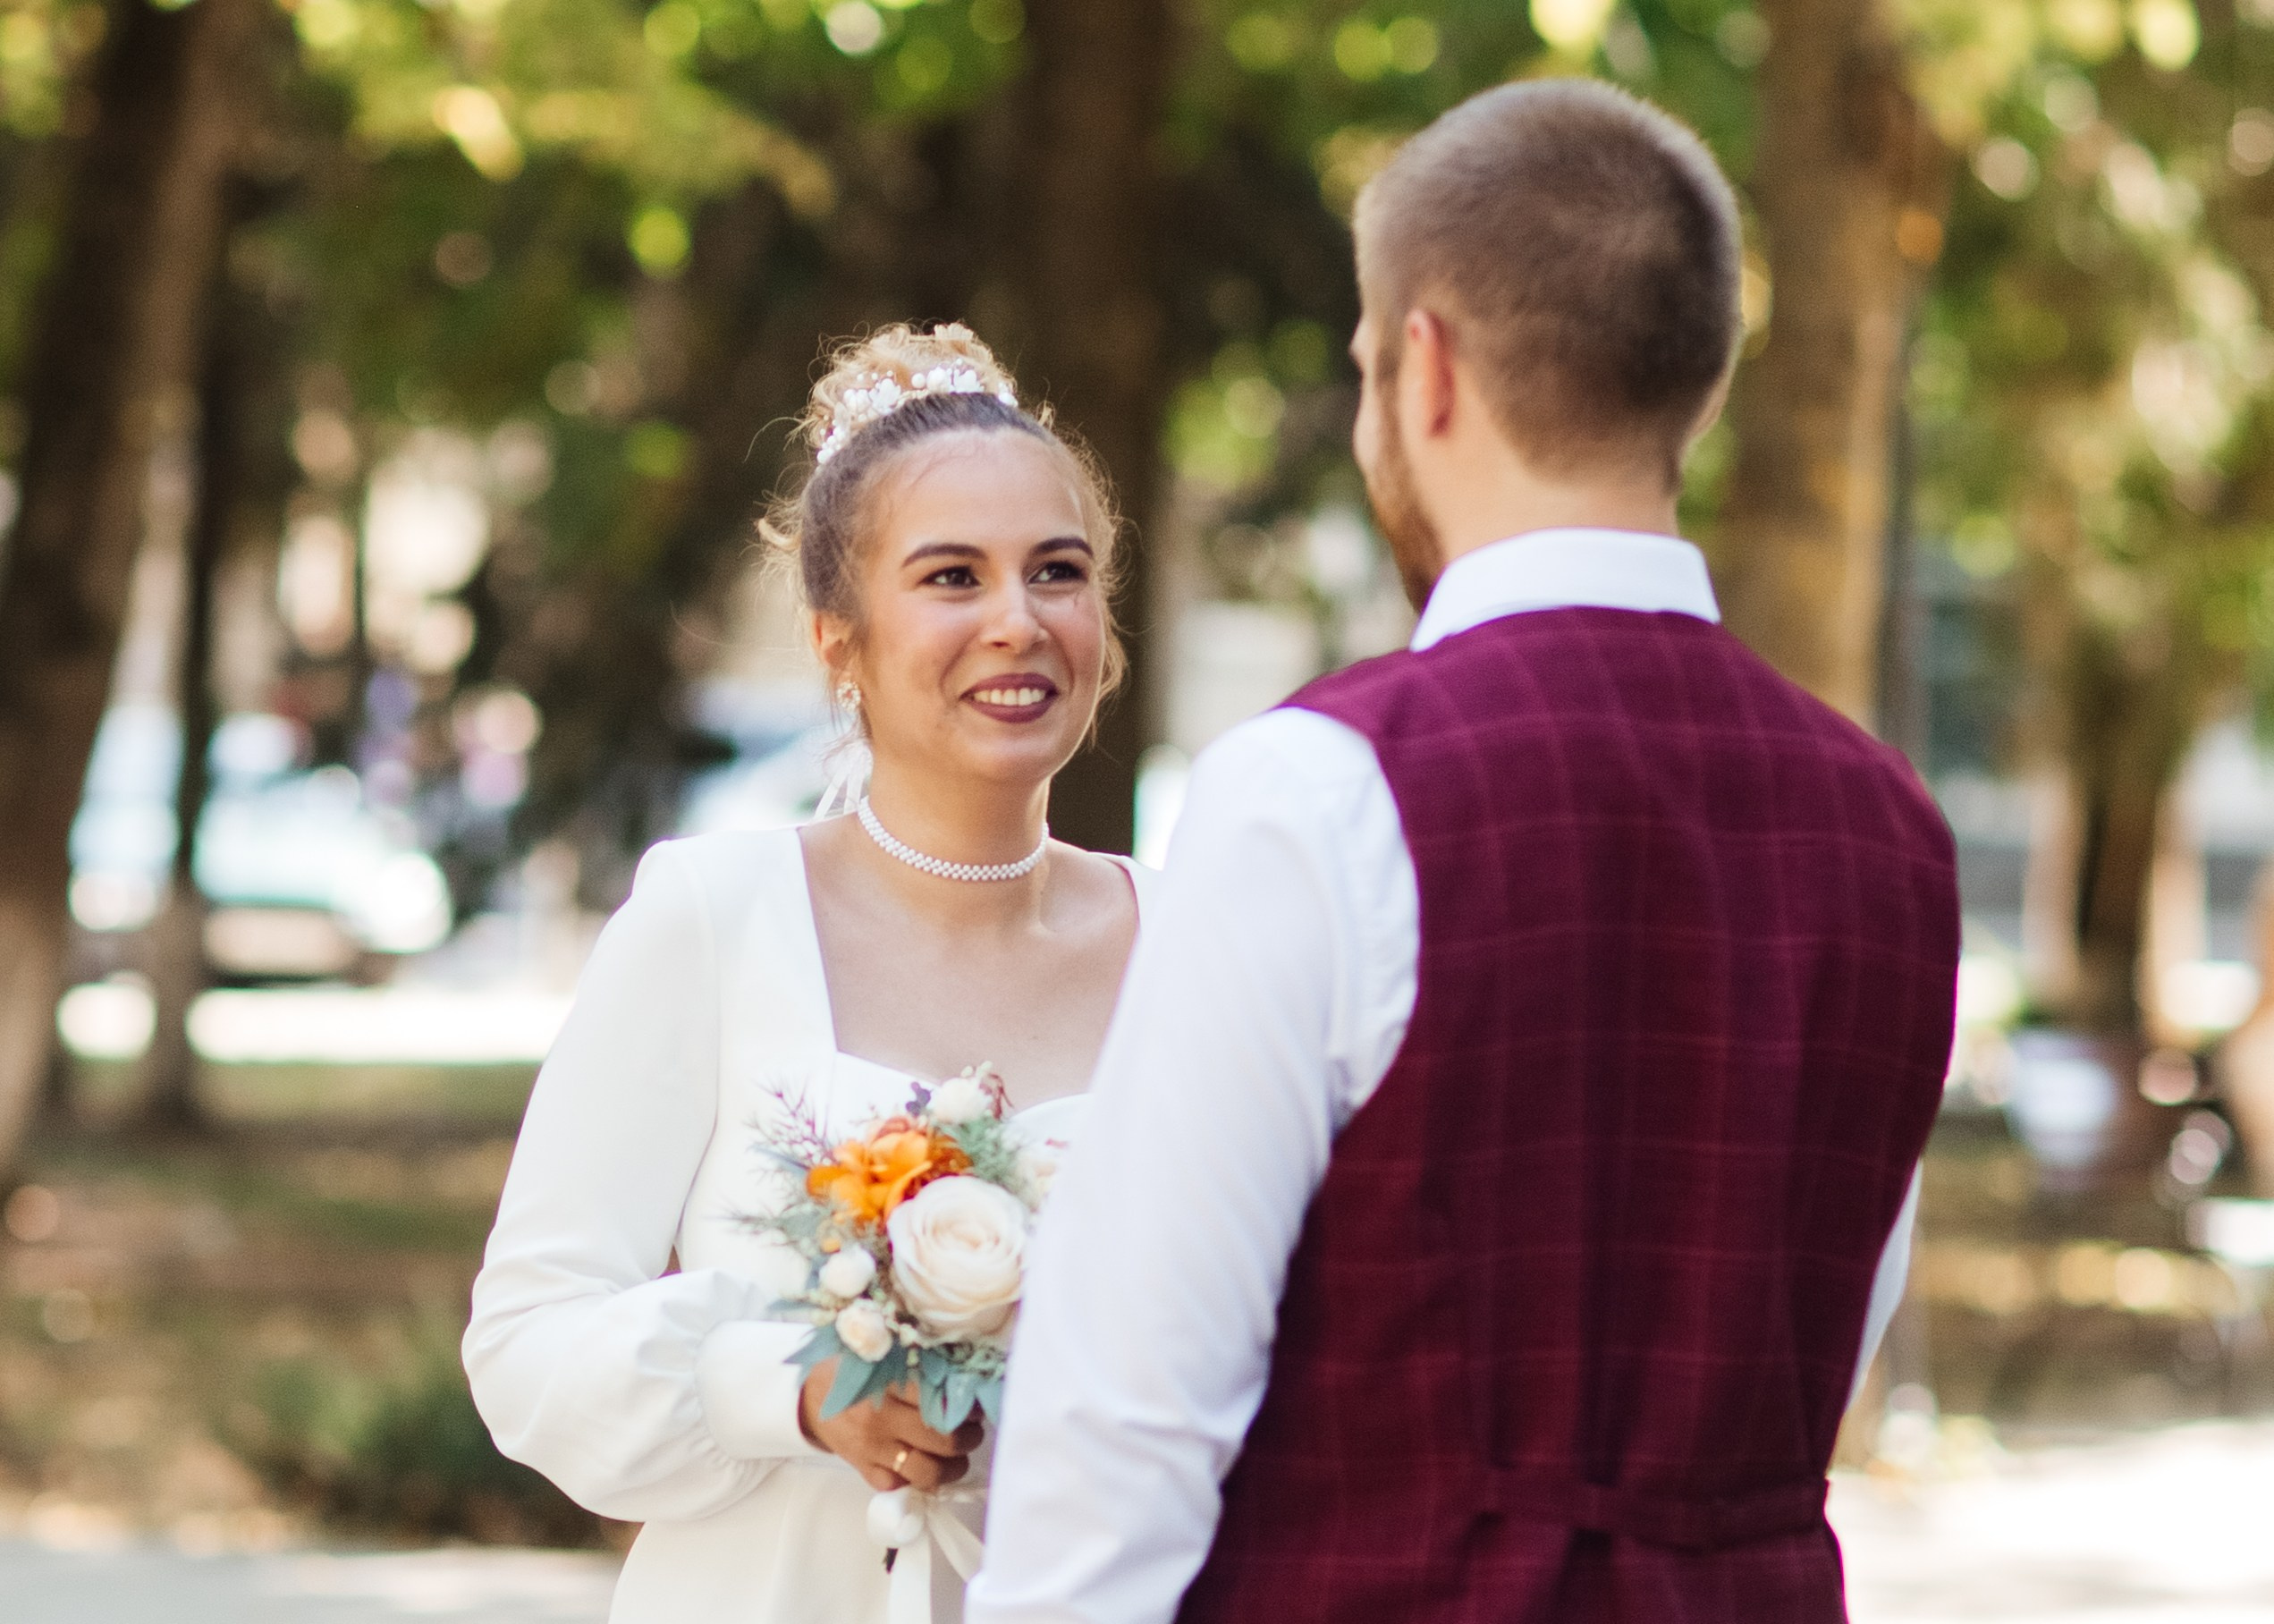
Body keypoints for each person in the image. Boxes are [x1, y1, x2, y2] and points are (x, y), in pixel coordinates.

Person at [968, 80, 1960, 1624]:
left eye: (1368, 362)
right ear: (1695, 387)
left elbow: (1126, 1415)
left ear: (1424, 368)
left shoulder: (1319, 790)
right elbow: (1819, 1338)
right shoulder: (1895, 829)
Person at [464, 324, 1148, 1624]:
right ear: (840, 641)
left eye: (1057, 573)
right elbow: (526, 1345)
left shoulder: (1189, 944)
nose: (1018, 621)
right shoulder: (713, 919)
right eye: (953, 577)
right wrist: (792, 1389)